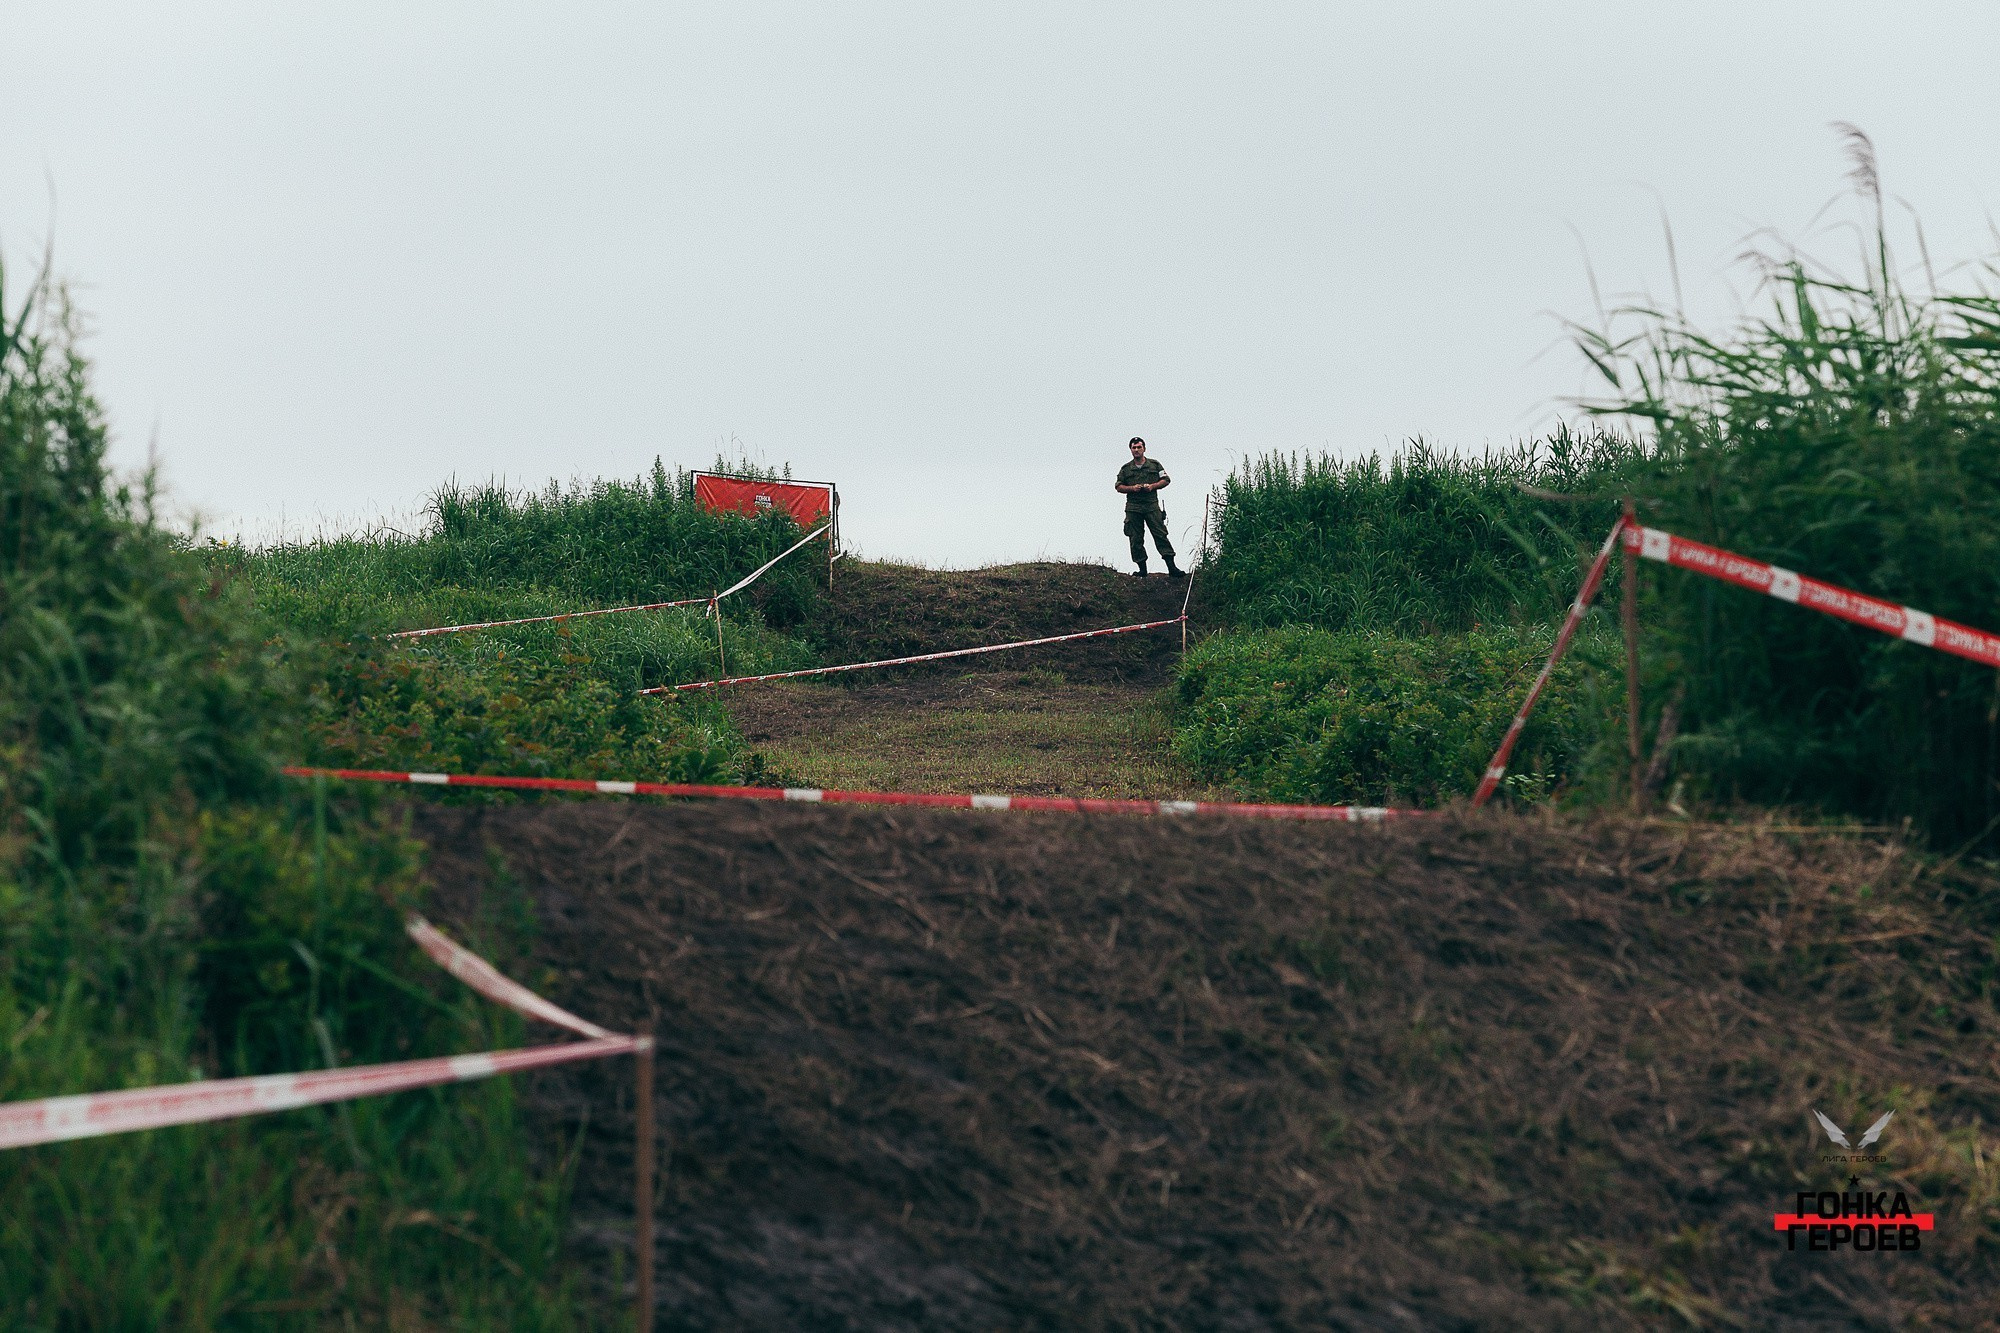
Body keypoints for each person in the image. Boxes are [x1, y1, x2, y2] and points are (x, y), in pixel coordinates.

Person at [1115, 437, 1183, 577]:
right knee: (1135, 539)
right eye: (1134, 448)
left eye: (1139, 447)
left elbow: (1166, 480)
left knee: (1160, 535)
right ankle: (1142, 570)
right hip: (1133, 508)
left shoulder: (1154, 465)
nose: (1136, 450)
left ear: (1144, 448)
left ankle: (1172, 568)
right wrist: (1132, 488)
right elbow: (1118, 486)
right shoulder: (1126, 469)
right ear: (1131, 450)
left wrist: (1152, 486)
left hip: (1151, 506)